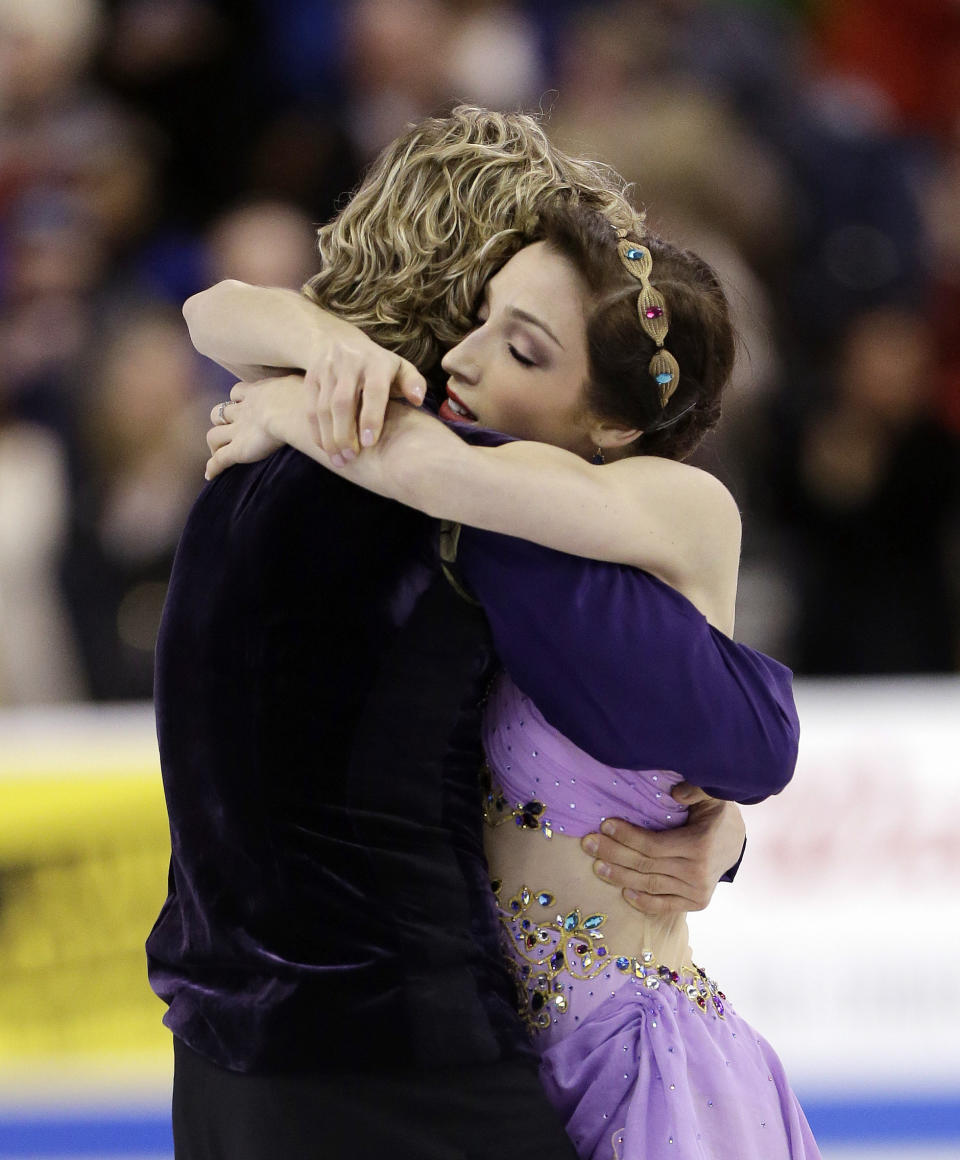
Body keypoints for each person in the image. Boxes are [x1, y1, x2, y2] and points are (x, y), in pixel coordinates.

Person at [151, 108, 797, 1160]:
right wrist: (306, 367)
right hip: (407, 1064)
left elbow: (751, 737)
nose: (467, 352)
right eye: (486, 314)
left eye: (524, 342)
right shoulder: (458, 508)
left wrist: (297, 391)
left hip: (579, 1063)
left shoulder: (533, 499)